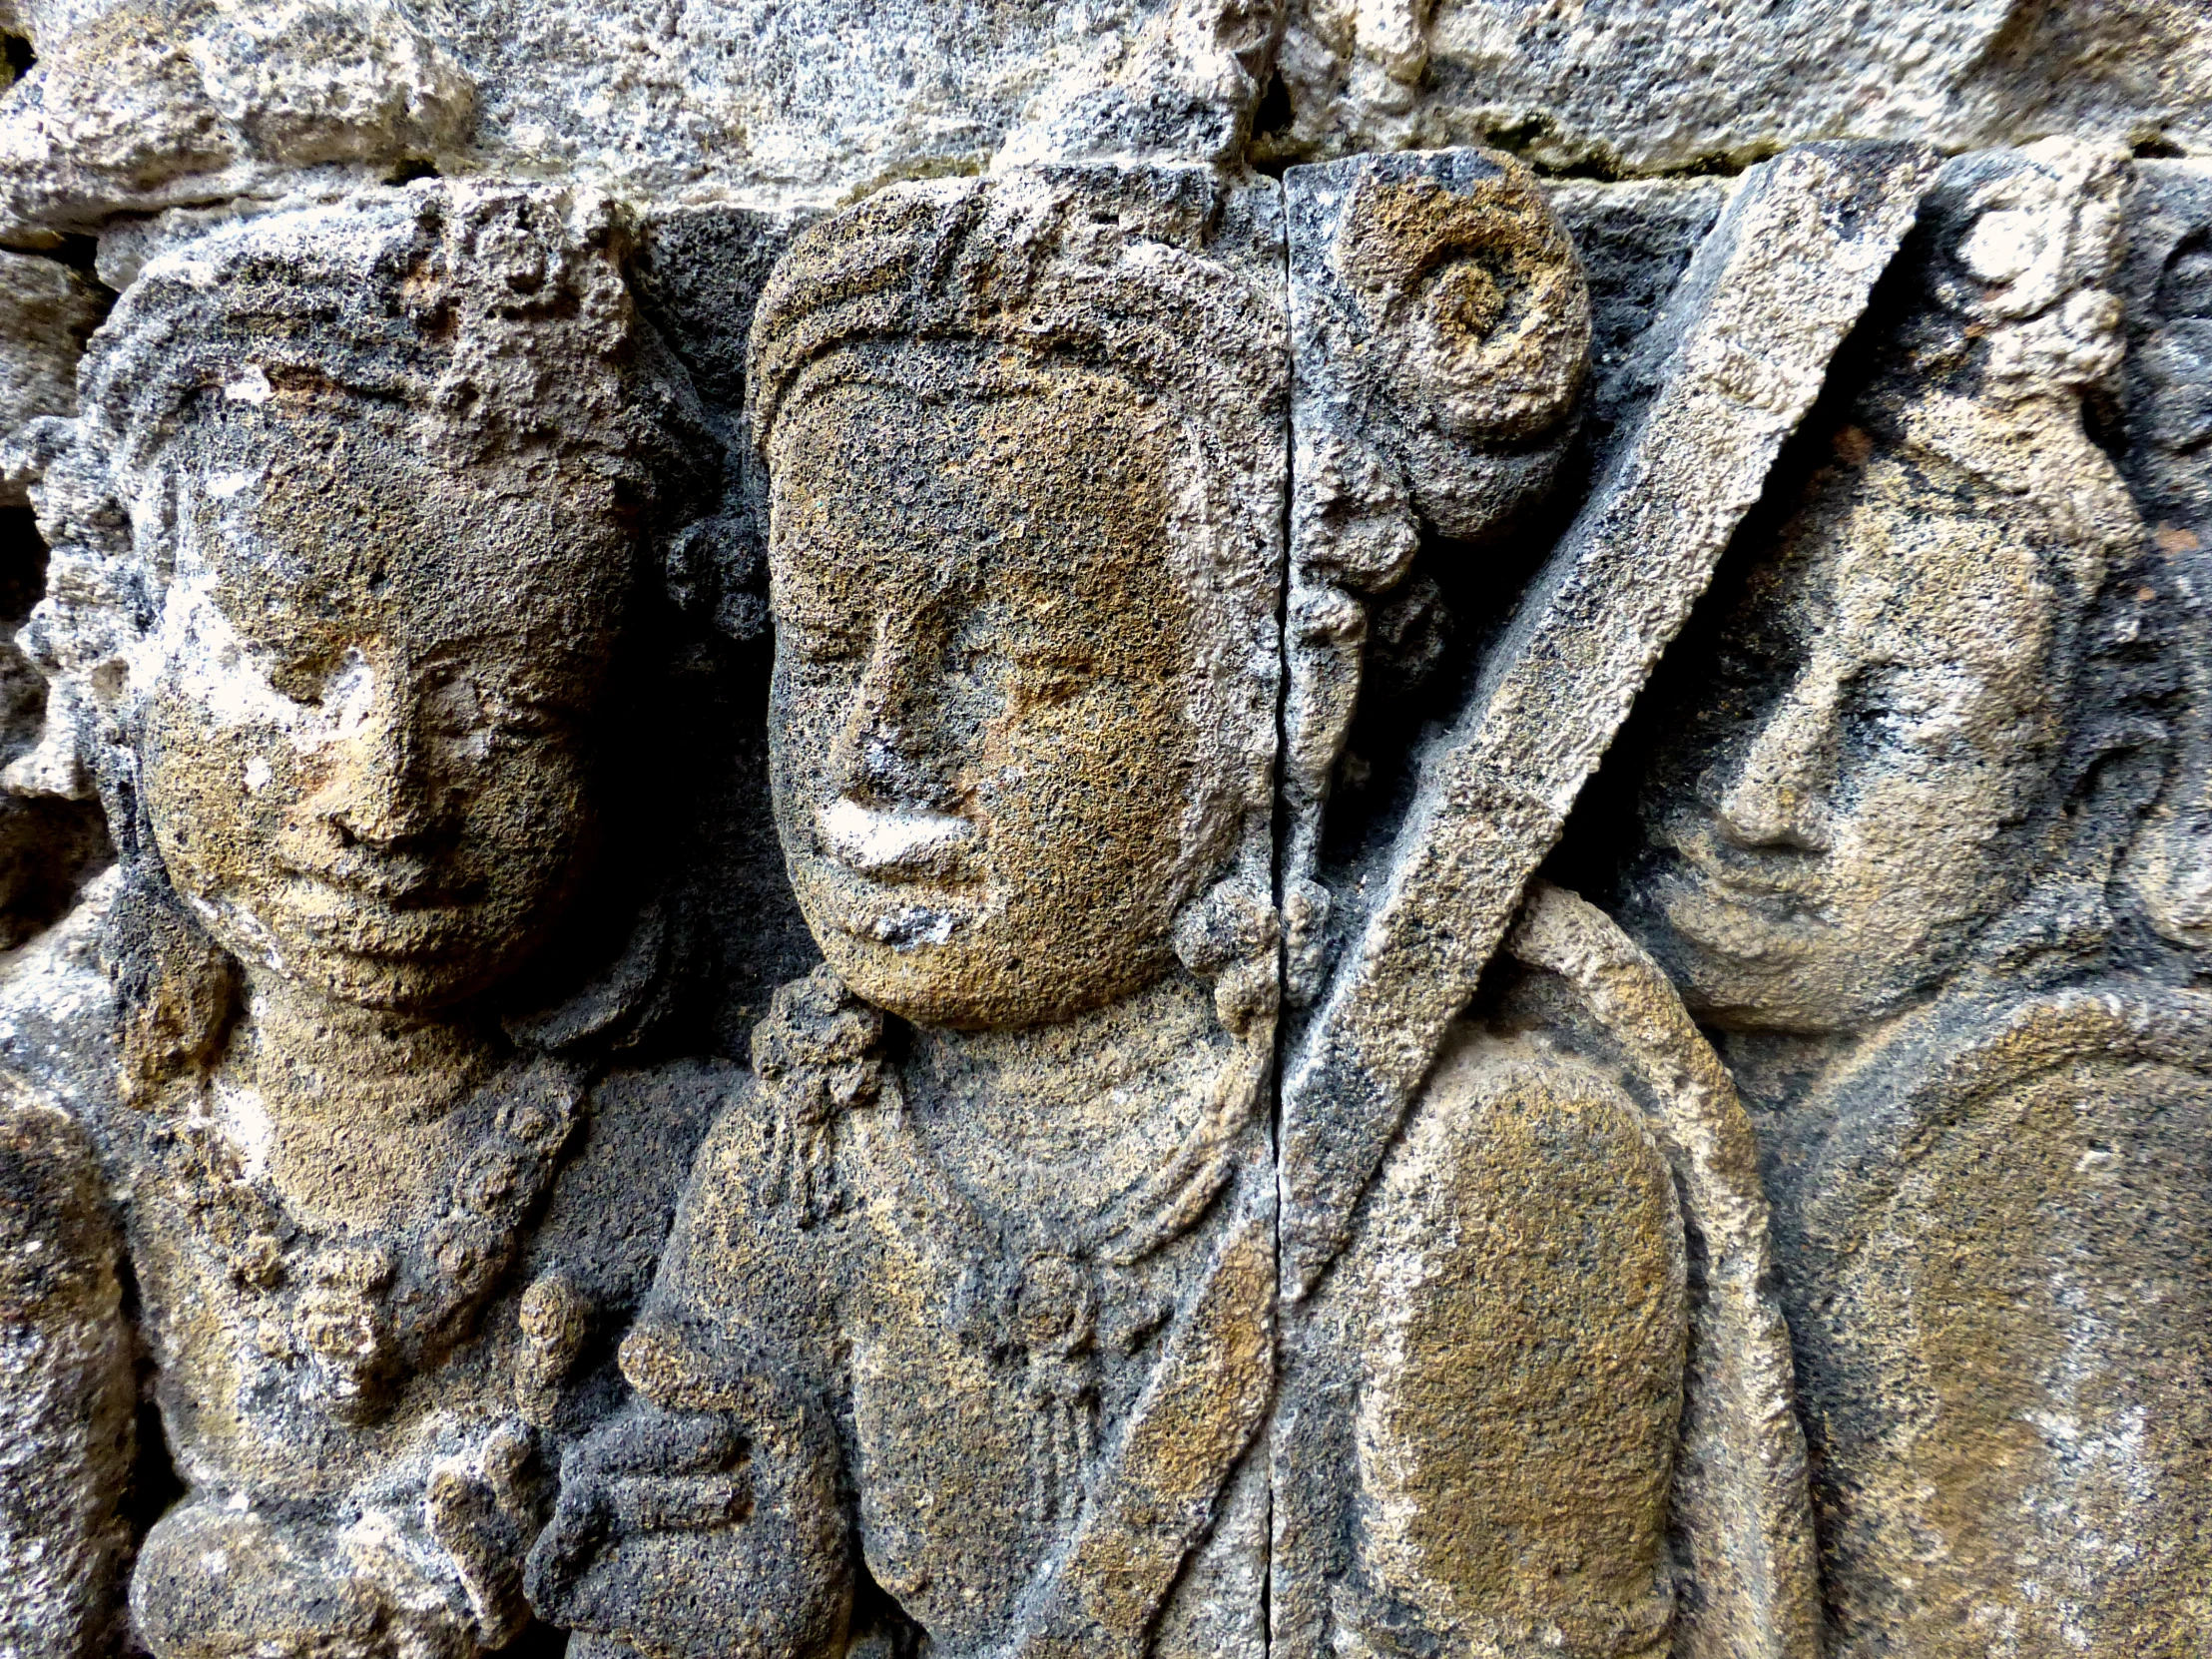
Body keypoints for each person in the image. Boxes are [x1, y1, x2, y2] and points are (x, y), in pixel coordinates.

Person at [527, 166, 1288, 1659]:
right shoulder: (808, 1151)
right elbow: (676, 1600)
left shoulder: (1453, 1148)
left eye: (1015, 667)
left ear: (1266, 694)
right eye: (820, 647)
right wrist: (739, 1591)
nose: (870, 768)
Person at [3, 179, 726, 1658]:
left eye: (508, 704)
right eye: (285, 666)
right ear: (122, 661)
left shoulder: (699, 1151)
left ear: (638, 741)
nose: (385, 796)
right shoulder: (61, 1122)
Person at [1619, 141, 2212, 1656]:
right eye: (1740, 674)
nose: (1760, 798)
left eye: (1897, 725)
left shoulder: (2070, 1137)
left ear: (2087, 801)